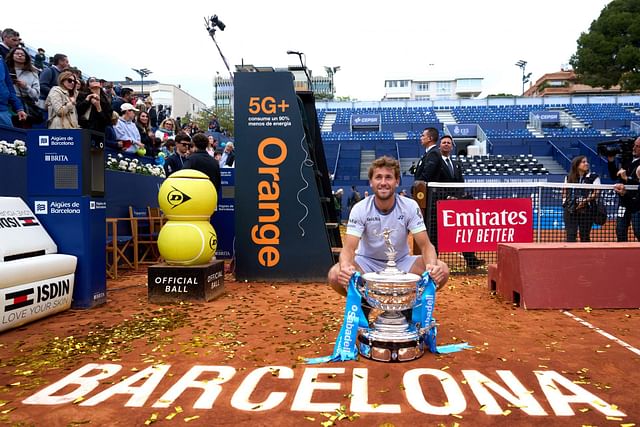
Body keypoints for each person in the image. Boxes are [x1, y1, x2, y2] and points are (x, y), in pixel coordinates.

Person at [328, 156, 449, 298]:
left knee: (442, 270)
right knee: (335, 275)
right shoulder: (360, 208)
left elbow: (426, 246)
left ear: (397, 181)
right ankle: (364, 304)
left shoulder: (409, 206)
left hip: (401, 262)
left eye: (389, 177)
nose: (383, 182)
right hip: (367, 262)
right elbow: (349, 248)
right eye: (378, 177)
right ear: (371, 182)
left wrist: (431, 266)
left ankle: (409, 307)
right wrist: (345, 267)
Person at [438, 135, 486, 267]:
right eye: (444, 142)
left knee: (464, 231)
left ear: (452, 147)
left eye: (449, 143)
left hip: (457, 204)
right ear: (439, 146)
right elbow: (434, 183)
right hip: (441, 204)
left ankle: (471, 260)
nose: (446, 144)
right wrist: (446, 197)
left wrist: (459, 196)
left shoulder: (456, 164)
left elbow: (460, 183)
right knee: (436, 233)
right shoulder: (436, 163)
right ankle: (433, 261)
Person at [413, 127, 444, 253]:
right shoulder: (428, 154)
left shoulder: (434, 154)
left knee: (430, 227)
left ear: (430, 138)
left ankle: (431, 254)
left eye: (423, 135)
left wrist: (417, 185)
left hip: (430, 198)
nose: (421, 137)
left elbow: (427, 174)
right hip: (425, 196)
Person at [607, 136, 640, 242]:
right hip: (624, 202)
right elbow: (615, 176)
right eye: (634, 145)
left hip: (637, 203)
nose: (634, 148)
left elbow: (637, 182)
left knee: (638, 230)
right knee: (620, 231)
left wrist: (627, 178)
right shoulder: (627, 159)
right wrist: (611, 161)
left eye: (638, 146)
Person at [562, 155, 601, 242]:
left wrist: (585, 201)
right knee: (570, 235)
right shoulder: (568, 177)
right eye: (583, 162)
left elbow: (596, 192)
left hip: (587, 210)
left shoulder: (594, 177)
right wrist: (565, 202)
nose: (586, 164)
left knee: (584, 235)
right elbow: (565, 191)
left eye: (587, 162)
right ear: (576, 165)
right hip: (571, 210)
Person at [5, 46, 39, 128]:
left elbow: (36, 95)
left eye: (22, 55)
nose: (20, 56)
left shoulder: (33, 74)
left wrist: (26, 86)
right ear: (12, 56)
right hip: (7, 104)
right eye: (17, 54)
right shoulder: (5, 70)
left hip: (25, 105)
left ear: (26, 58)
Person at [183, 133, 222, 198]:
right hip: (210, 198)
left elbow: (183, 178)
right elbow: (218, 182)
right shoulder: (214, 162)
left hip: (194, 199)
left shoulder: (191, 159)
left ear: (194, 144)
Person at [0, 55, 26, 127]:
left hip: (3, 111)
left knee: (7, 137)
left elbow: (8, 85)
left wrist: (19, 108)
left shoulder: (1, 59)